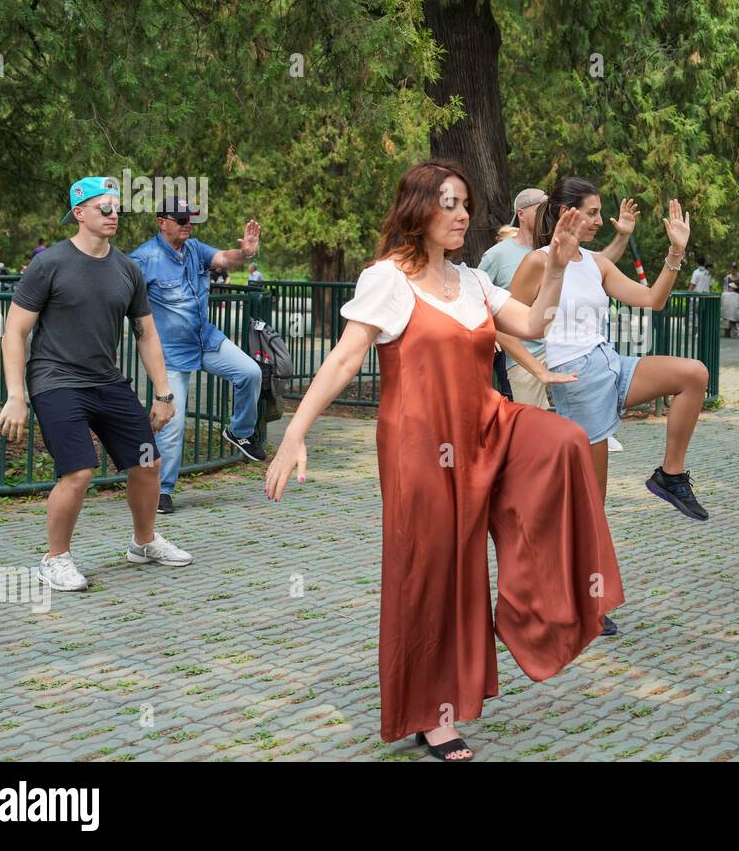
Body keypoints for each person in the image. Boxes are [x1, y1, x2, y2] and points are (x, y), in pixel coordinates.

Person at [264, 160, 622, 761]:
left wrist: (556, 267)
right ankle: (431, 715)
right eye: (449, 204)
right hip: (419, 446)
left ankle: (535, 605)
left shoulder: (474, 282)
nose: (461, 215)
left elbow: (533, 323)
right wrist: (295, 432)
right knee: (432, 576)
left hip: (485, 425)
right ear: (419, 211)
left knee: (561, 443)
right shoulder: (387, 279)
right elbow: (345, 360)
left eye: (465, 205)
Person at [0, 176, 192, 592]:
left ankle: (143, 543)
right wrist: (16, 395)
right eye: (105, 207)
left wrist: (163, 393)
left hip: (107, 383)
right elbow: (14, 332)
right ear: (79, 213)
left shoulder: (127, 269)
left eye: (117, 207)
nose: (114, 214)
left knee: (148, 461)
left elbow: (147, 333)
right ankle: (55, 559)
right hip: (57, 383)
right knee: (79, 471)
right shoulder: (50, 264)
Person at [511, 177, 710, 529]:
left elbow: (653, 300)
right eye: (593, 213)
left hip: (610, 362)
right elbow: (501, 326)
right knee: (593, 503)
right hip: (578, 377)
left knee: (693, 373)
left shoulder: (595, 262)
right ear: (565, 214)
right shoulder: (537, 263)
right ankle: (581, 574)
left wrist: (676, 251)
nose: (601, 221)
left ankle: (670, 475)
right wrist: (538, 370)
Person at [130, 197, 267, 514]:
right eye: (180, 220)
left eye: (190, 219)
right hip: (172, 354)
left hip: (206, 339)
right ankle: (161, 490)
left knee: (250, 372)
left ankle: (239, 432)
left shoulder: (194, 249)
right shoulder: (143, 259)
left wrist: (245, 253)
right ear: (161, 222)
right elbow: (120, 292)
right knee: (173, 423)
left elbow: (224, 259)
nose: (187, 224)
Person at [478, 187, 639, 409]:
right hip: (527, 358)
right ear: (521, 214)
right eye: (539, 208)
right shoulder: (499, 254)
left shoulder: (565, 248)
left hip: (566, 353)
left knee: (579, 426)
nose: (546, 210)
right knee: (534, 430)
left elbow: (601, 264)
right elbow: (481, 296)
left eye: (548, 205)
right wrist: (493, 333)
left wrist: (622, 235)